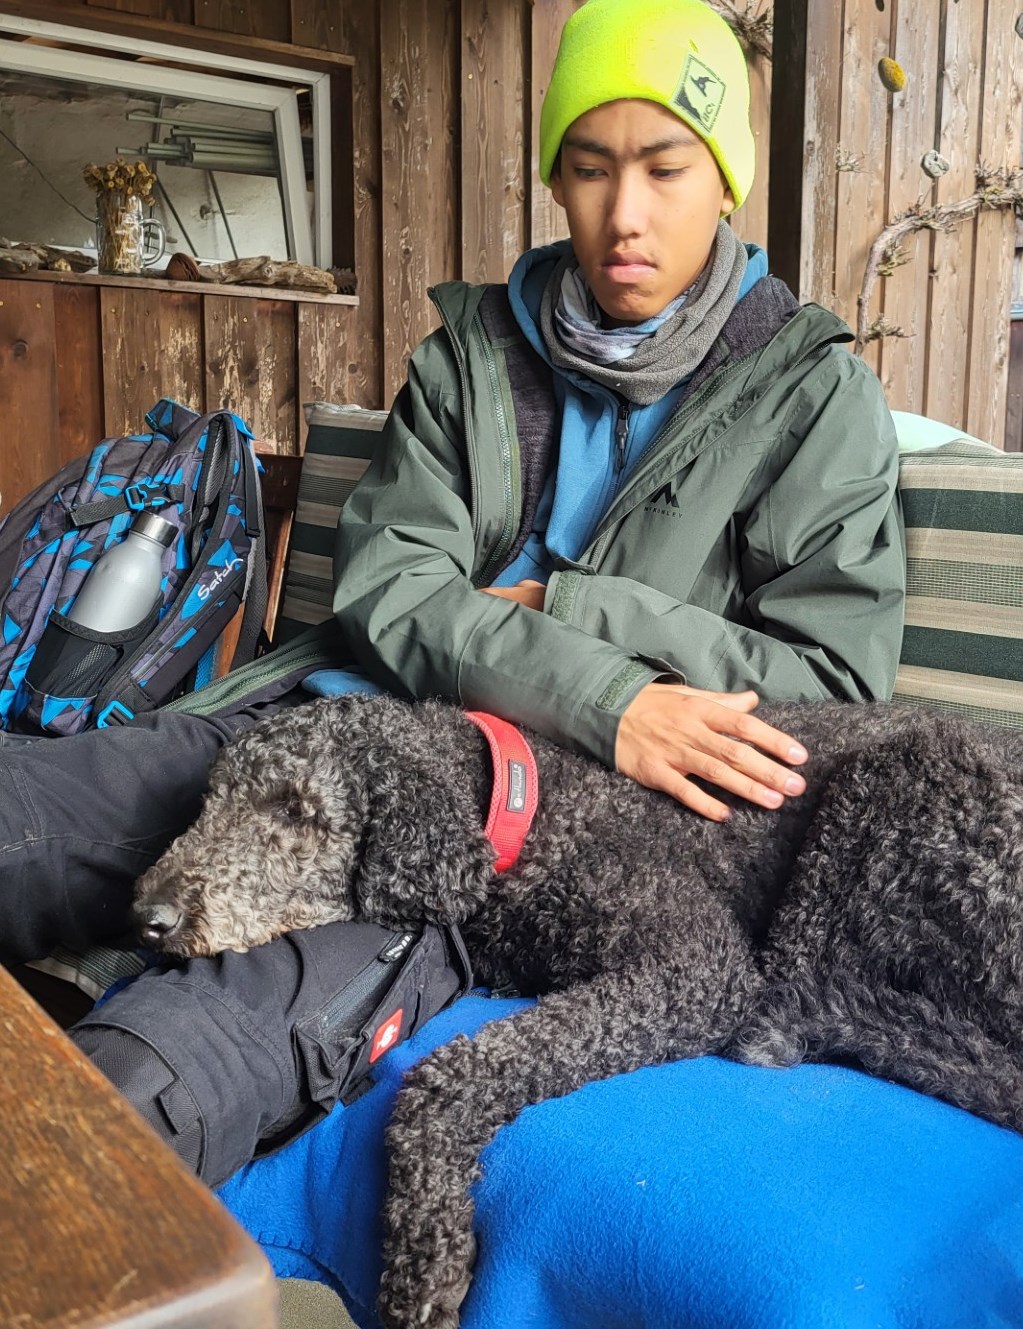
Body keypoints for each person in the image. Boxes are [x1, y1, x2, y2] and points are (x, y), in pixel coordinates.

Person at [2, 0, 905, 1186]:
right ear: (557, 179)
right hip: (317, 728)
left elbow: (830, 683)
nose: (624, 214)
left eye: (665, 167)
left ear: (724, 180)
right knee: (26, 809)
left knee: (154, 1078)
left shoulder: (812, 396)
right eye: (589, 168)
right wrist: (614, 695)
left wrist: (571, 615)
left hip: (514, 828)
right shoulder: (472, 355)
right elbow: (390, 589)